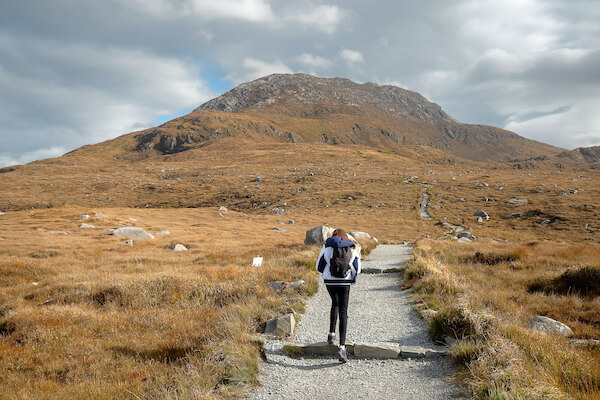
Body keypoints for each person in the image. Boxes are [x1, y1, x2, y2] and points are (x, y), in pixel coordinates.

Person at [316, 228, 361, 363]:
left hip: (330, 282)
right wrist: (349, 275)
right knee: (343, 310)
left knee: (334, 304)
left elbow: (319, 266)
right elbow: (357, 269)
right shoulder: (352, 247)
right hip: (345, 282)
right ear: (345, 236)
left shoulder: (327, 247)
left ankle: (331, 334)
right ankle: (341, 347)